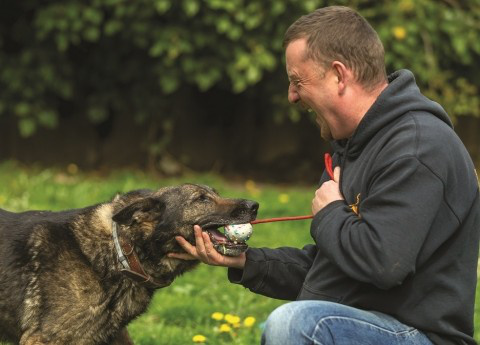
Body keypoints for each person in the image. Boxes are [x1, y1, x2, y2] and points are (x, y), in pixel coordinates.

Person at [168, 6, 480, 345]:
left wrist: (331, 212)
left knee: (300, 326)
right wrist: (243, 260)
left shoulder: (418, 147)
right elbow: (330, 267)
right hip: (365, 322)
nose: (291, 95)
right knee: (289, 325)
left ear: (338, 75)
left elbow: (382, 263)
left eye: (297, 80)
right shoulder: (351, 148)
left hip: (420, 336)